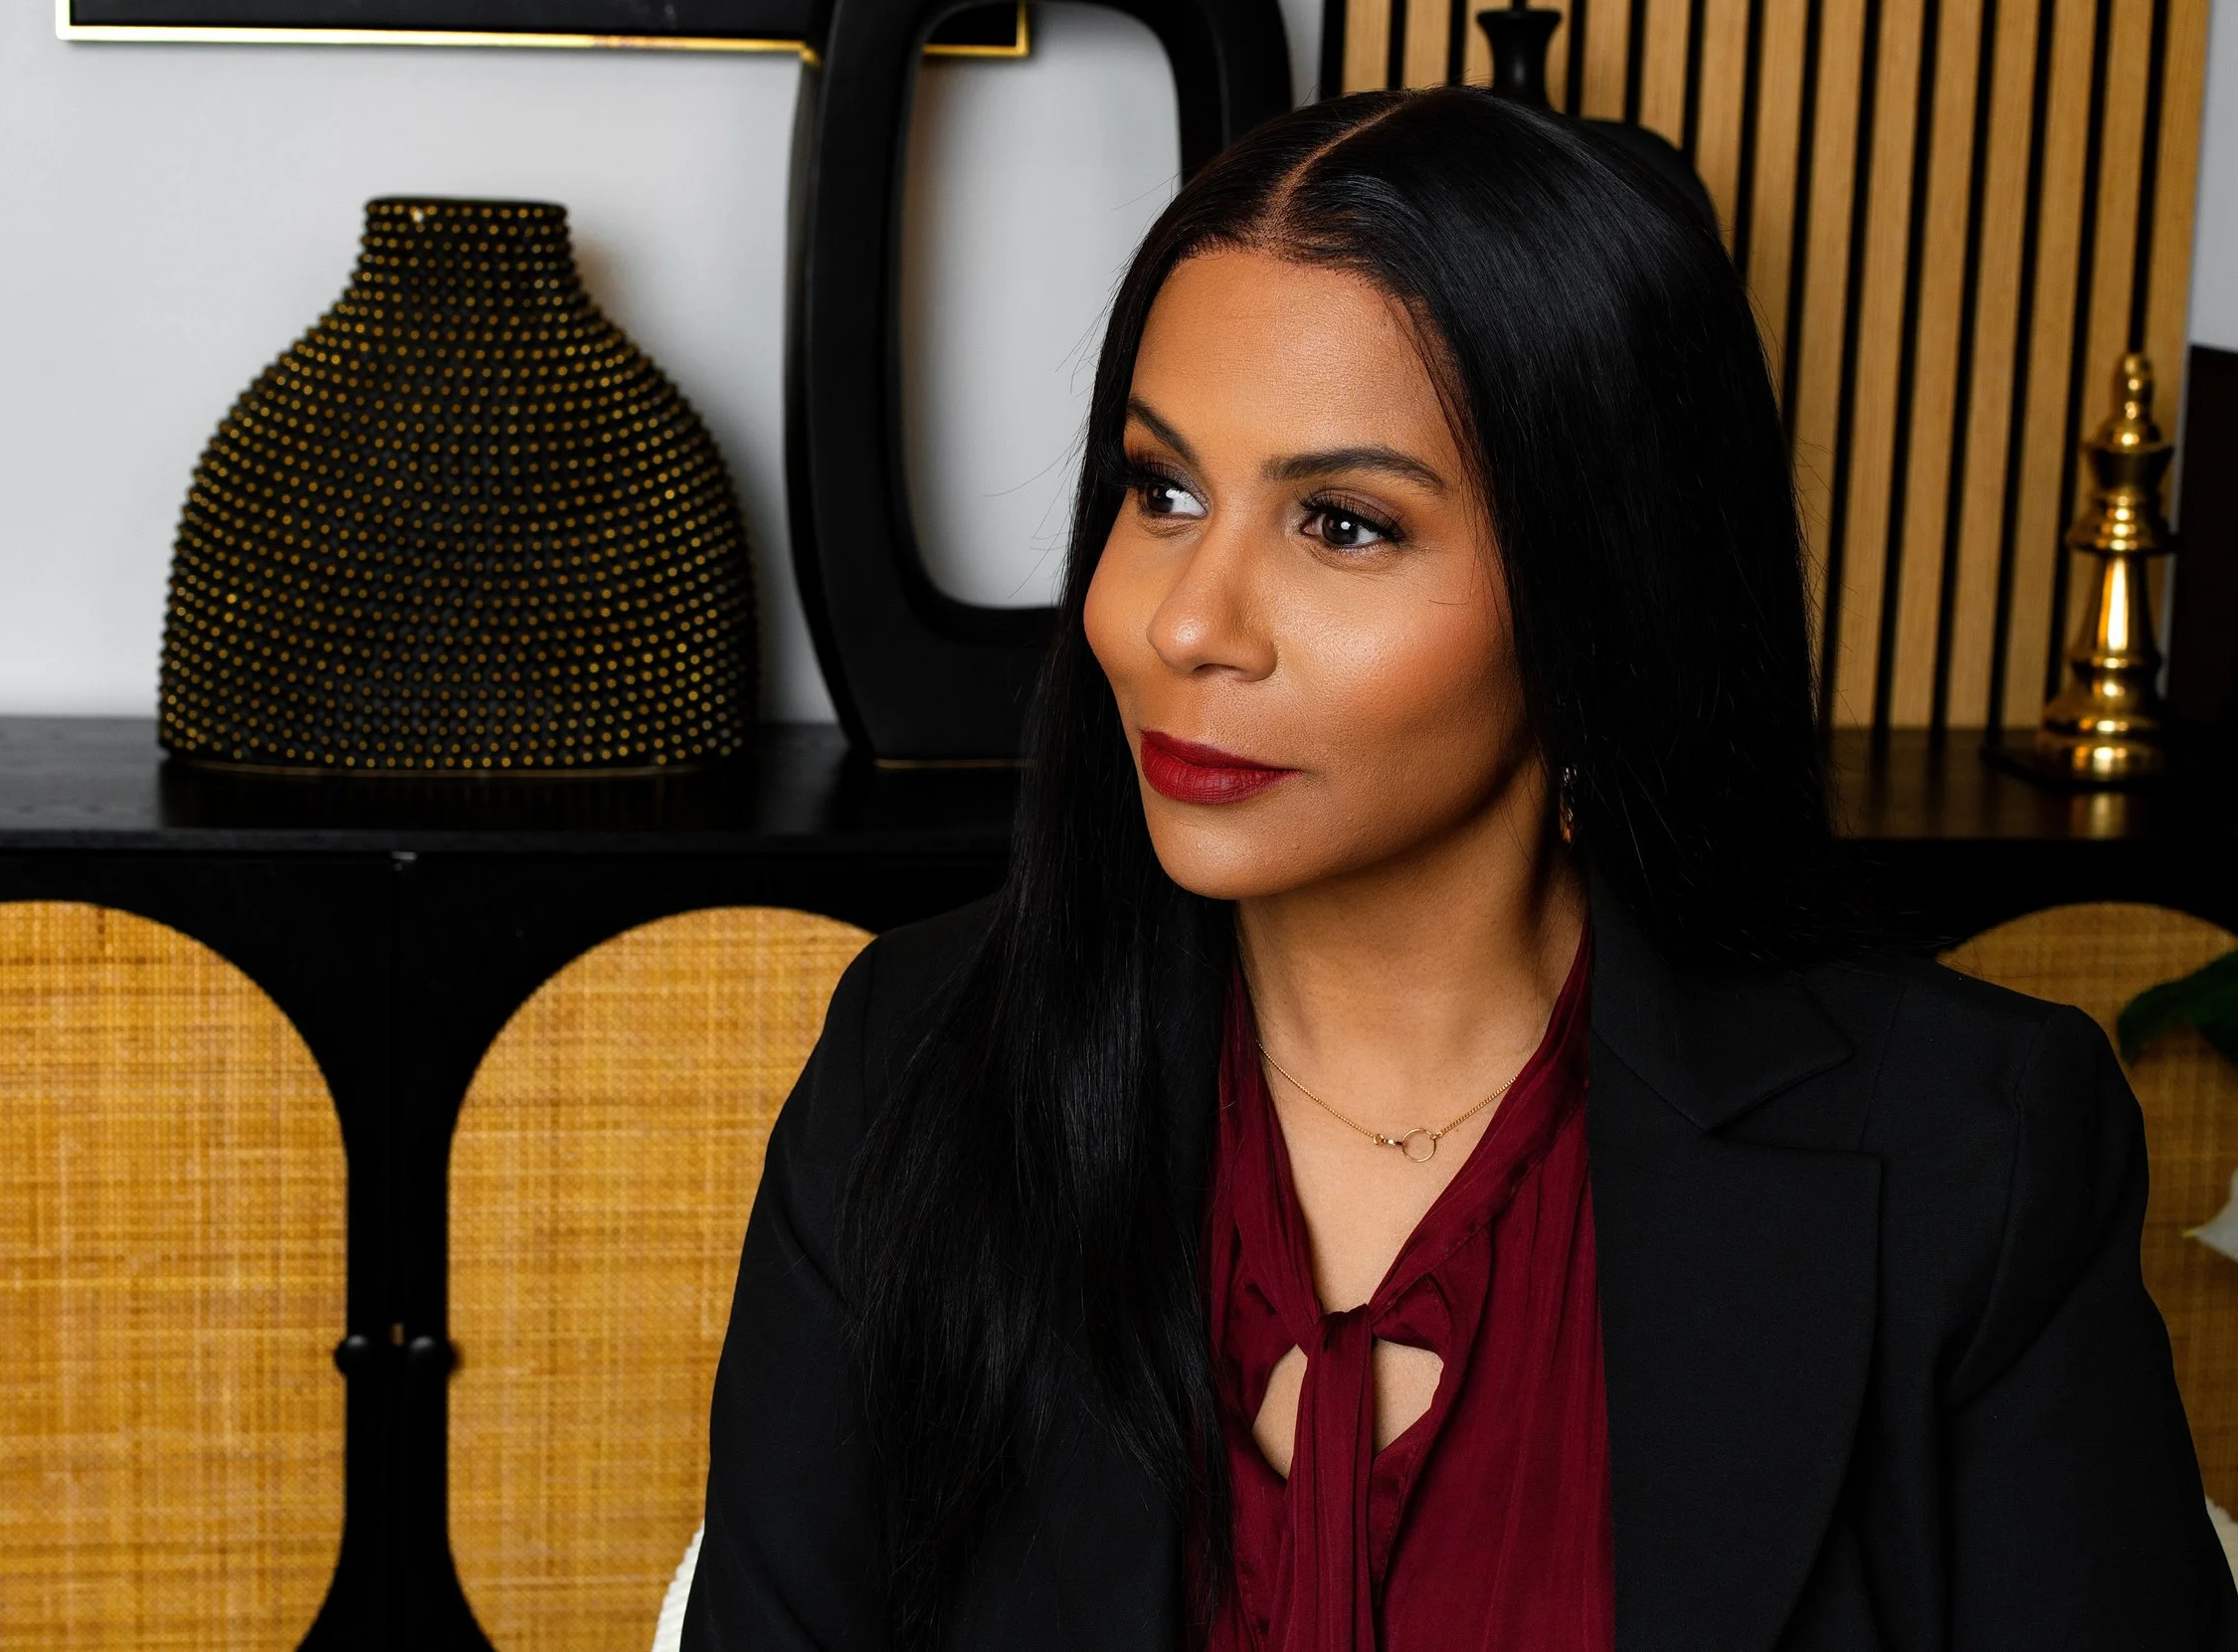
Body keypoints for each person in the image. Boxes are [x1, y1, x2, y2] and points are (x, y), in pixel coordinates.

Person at [684, 88, 2237, 1650]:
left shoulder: (1970, 1154)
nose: (1183, 622)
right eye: (1162, 492)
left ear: (1603, 591)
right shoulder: (919, 1067)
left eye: (1344, 523)